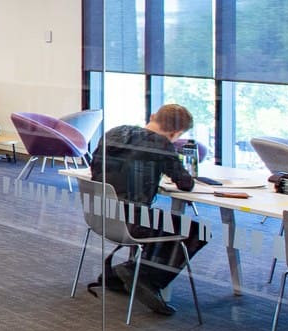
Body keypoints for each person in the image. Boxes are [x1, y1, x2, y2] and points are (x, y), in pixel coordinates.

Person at [86, 103, 207, 317]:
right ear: (175, 133)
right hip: (133, 221)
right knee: (196, 232)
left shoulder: (114, 132)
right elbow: (185, 184)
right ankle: (144, 277)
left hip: (99, 214)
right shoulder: (160, 144)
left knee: (164, 224)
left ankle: (119, 275)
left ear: (152, 116)